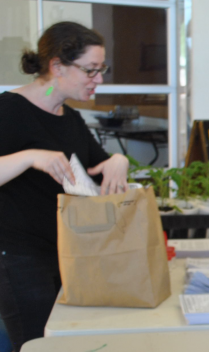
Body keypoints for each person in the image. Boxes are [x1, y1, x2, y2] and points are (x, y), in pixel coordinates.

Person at [0, 21, 129, 352]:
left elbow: (99, 169)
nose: (99, 80)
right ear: (57, 66)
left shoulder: (69, 118)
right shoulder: (9, 111)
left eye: (102, 69)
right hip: (17, 257)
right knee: (37, 345)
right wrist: (29, 157)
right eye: (90, 70)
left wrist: (118, 161)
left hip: (66, 253)